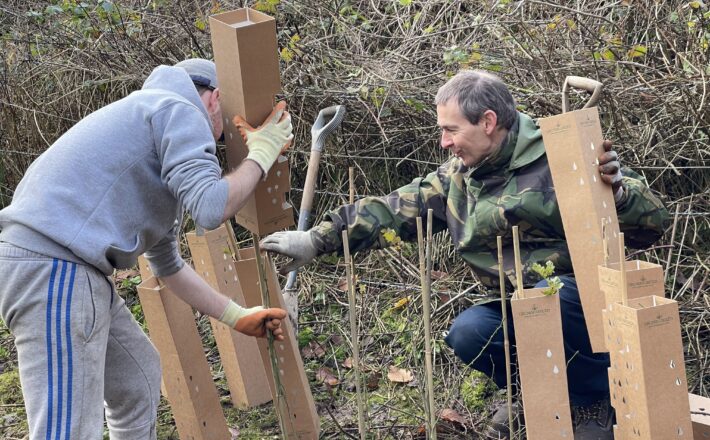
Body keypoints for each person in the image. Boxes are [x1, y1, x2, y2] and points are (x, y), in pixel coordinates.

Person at [260, 70, 669, 439]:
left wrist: (617, 192)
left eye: (450, 130)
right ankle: (537, 390)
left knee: (550, 299)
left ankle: (593, 396)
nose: (444, 142)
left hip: (582, 301)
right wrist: (318, 239)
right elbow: (394, 209)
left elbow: (653, 222)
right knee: (469, 332)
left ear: (488, 122)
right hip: (517, 304)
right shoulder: (458, 178)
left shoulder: (562, 155)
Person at [0, 58, 292, 440]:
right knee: (64, 429)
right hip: (54, 267)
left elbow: (167, 264)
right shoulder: (179, 109)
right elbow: (210, 208)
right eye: (222, 138)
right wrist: (261, 155)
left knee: (137, 378)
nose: (217, 146)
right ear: (214, 100)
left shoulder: (149, 129)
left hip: (71, 269)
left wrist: (237, 316)